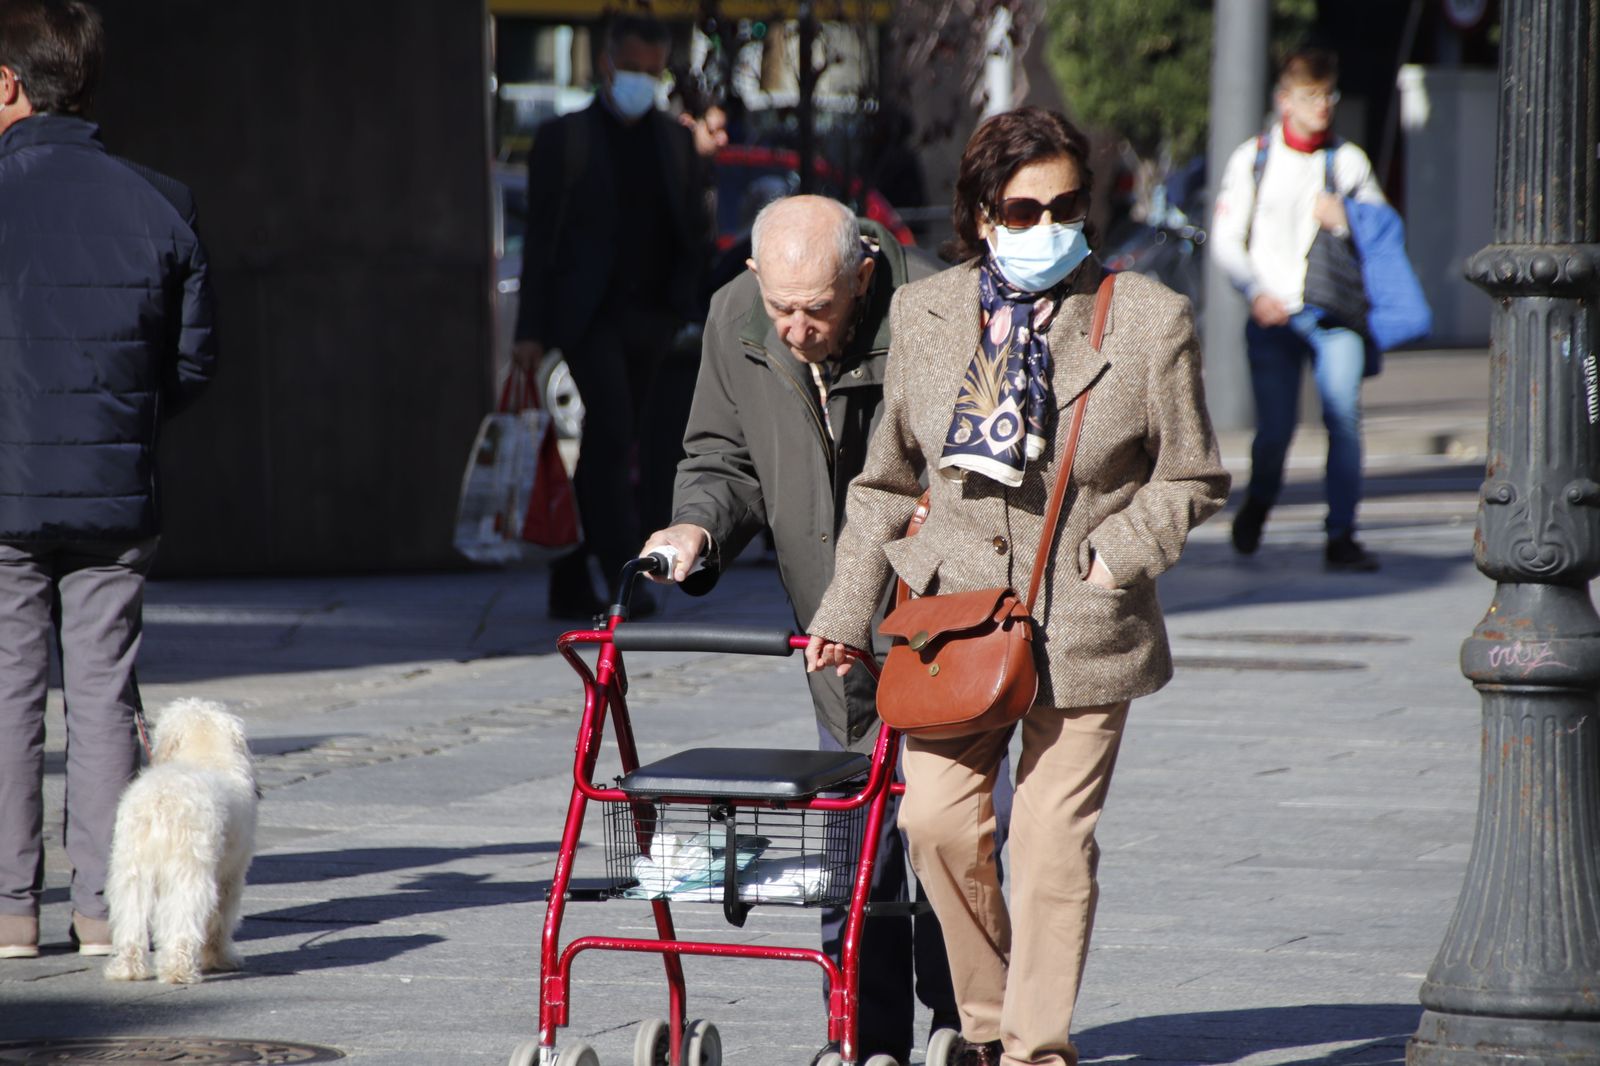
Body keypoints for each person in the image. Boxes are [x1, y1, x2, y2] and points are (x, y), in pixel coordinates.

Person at [806, 108, 1229, 1066]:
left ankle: (1034, 1051)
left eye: (1068, 206)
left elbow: (1194, 474)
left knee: (1050, 845)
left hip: (1086, 620)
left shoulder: (1148, 318)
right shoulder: (924, 313)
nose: (1049, 227)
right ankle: (990, 1025)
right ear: (982, 214)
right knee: (936, 822)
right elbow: (886, 483)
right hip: (951, 624)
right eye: (1024, 208)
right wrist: (844, 612)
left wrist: (1124, 549)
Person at [640, 195, 1009, 1066]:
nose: (798, 329)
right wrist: (696, 525)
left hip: (939, 626)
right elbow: (719, 457)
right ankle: (862, 1039)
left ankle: (964, 1025)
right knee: (855, 844)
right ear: (754, 278)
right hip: (831, 635)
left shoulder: (936, 308)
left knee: (942, 831)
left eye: (819, 309)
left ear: (864, 276)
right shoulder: (738, 315)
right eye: (782, 308)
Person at [0, 0, 216, 959]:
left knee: (5, 691)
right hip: (116, 491)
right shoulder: (162, 202)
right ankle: (103, 912)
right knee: (104, 696)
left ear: (9, 85)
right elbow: (194, 365)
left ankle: (9, 911)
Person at [512, 13, 708, 619]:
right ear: (605, 64)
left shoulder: (675, 142)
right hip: (587, 317)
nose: (643, 80)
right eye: (632, 68)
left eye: (654, 71)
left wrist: (688, 308)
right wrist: (531, 331)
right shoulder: (565, 139)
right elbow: (541, 240)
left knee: (625, 446)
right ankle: (624, 575)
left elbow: (692, 234)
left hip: (653, 318)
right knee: (612, 432)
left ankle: (571, 575)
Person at [1210, 48, 1387, 570]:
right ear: (1285, 99)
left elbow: (1382, 232)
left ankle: (1341, 535)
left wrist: (1346, 217)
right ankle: (1260, 501)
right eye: (1311, 96)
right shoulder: (1255, 157)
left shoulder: (1348, 161)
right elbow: (1226, 238)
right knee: (1276, 430)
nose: (1323, 106)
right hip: (1273, 315)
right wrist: (1254, 291)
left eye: (1328, 95)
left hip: (1334, 314)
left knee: (1345, 419)